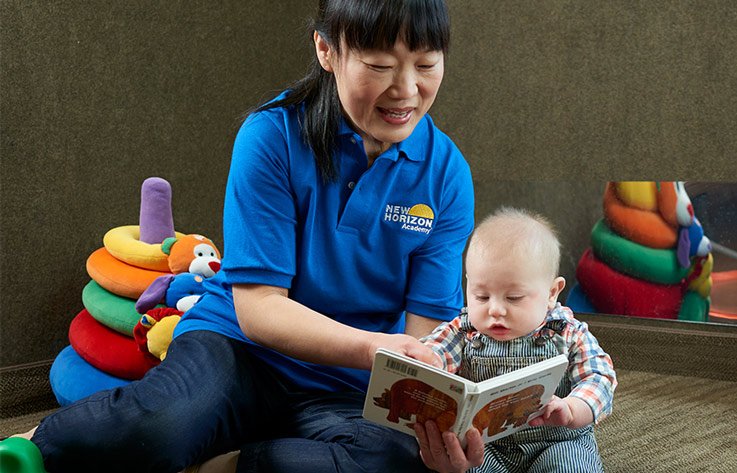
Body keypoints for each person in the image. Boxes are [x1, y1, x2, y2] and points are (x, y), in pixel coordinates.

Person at [28, 1, 480, 472]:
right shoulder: (271, 135)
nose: (406, 89)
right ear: (326, 50)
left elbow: (427, 336)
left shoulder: (446, 174)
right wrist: (372, 348)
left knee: (398, 458)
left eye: (425, 65)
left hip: (349, 388)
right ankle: (35, 446)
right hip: (238, 351)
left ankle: (231, 461)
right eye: (380, 65)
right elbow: (260, 309)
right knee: (156, 429)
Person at [413, 207, 617, 473]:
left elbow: (600, 377)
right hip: (487, 448)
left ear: (551, 293)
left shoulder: (567, 332)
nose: (495, 309)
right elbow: (433, 353)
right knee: (459, 463)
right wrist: (425, 362)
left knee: (571, 465)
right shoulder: (463, 331)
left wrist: (571, 408)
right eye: (481, 296)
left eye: (513, 298)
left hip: (556, 442)